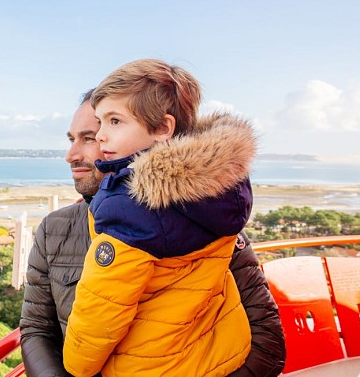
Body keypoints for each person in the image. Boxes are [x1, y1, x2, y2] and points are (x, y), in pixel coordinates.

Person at [20, 80, 285, 376]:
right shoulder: (55, 230)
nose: (71, 155)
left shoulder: (204, 225)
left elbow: (267, 340)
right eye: (71, 139)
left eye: (89, 138)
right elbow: (37, 330)